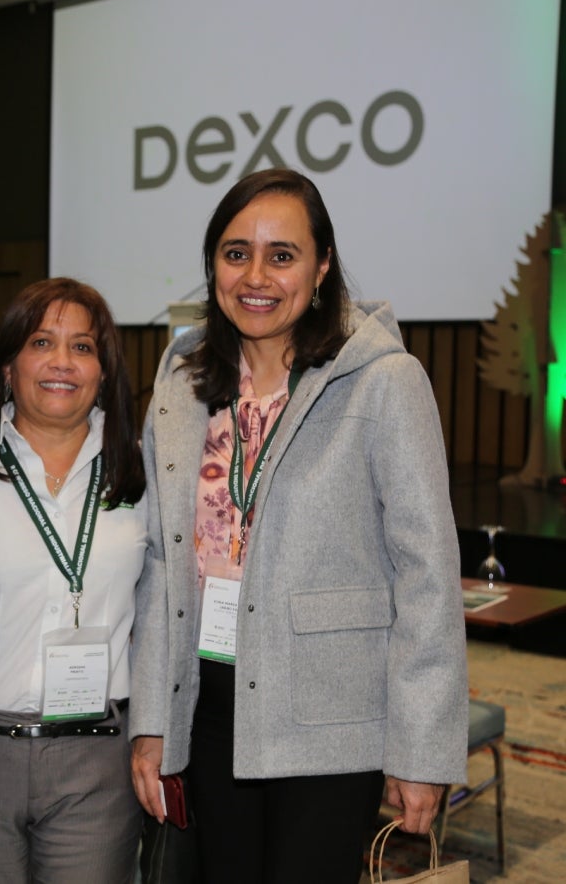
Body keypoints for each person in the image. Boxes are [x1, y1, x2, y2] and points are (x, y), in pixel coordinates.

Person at [128, 168, 468, 883]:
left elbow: (428, 575)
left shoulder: (381, 382)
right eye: (234, 252)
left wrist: (421, 750)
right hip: (211, 706)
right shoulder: (183, 384)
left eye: (282, 255)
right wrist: (156, 720)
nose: (256, 275)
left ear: (322, 267)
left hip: (328, 715)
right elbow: (162, 562)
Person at [0, 278, 147, 884]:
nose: (62, 362)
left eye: (82, 347)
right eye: (41, 342)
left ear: (104, 372)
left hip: (97, 760)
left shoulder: (141, 476)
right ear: (9, 366)